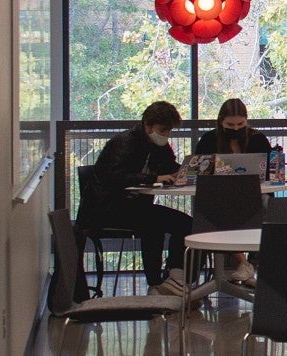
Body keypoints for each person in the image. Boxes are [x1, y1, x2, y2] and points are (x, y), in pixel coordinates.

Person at [83, 101, 193, 296]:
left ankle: (173, 276)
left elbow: (169, 165)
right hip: (106, 210)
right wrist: (154, 178)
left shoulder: (158, 146)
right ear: (147, 125)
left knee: (185, 224)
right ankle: (157, 282)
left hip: (132, 207)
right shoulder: (124, 143)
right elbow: (115, 176)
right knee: (155, 223)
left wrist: (182, 172)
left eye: (168, 131)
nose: (165, 135)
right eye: (162, 130)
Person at [193, 98, 270, 285]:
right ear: (220, 122)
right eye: (230, 124)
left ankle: (251, 263)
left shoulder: (258, 139)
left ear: (246, 121)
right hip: (218, 196)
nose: (236, 129)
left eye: (240, 124)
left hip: (252, 195)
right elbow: (198, 171)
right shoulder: (208, 140)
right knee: (217, 209)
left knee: (267, 205)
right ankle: (245, 264)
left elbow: (268, 172)